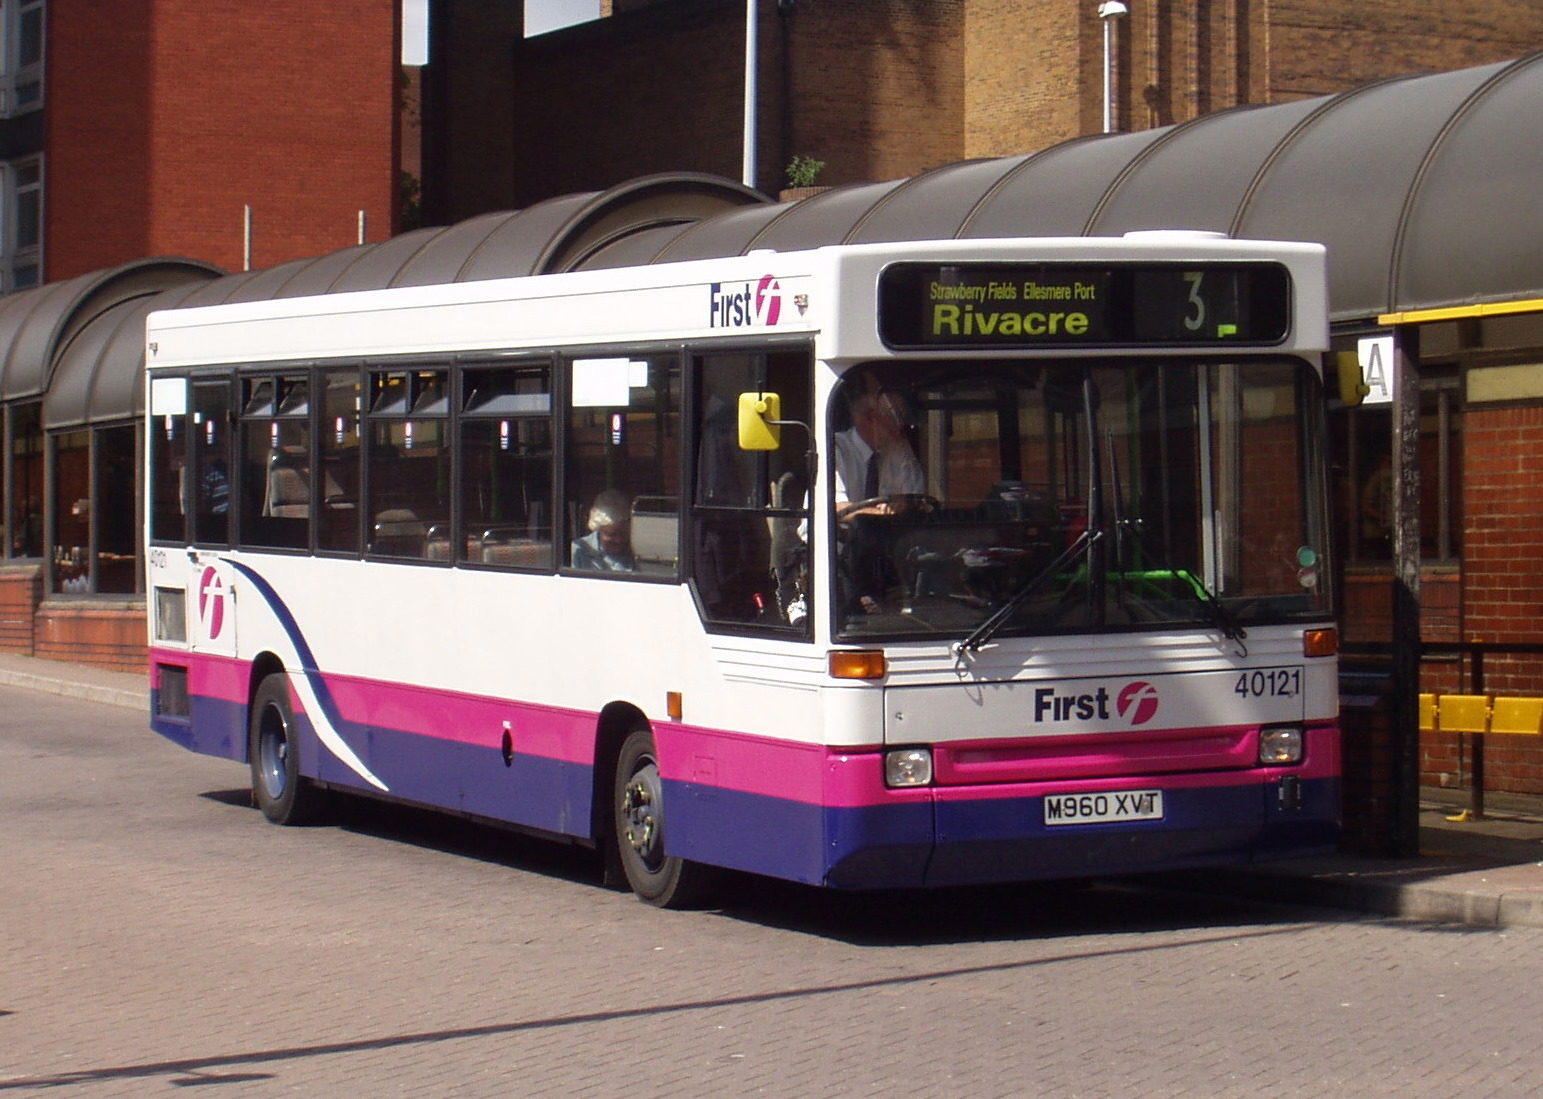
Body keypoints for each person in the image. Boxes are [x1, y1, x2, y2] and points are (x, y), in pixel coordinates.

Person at [832, 382, 924, 519]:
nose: (900, 427)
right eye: (894, 418)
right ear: (870, 418)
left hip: (887, 538)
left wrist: (905, 503)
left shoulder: (900, 451)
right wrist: (882, 515)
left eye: (902, 419)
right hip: (835, 538)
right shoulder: (836, 448)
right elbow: (835, 509)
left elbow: (916, 501)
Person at [571, 488, 637, 571]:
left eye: (623, 533)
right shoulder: (578, 550)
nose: (618, 540)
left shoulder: (636, 551)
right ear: (598, 529)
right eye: (611, 534)